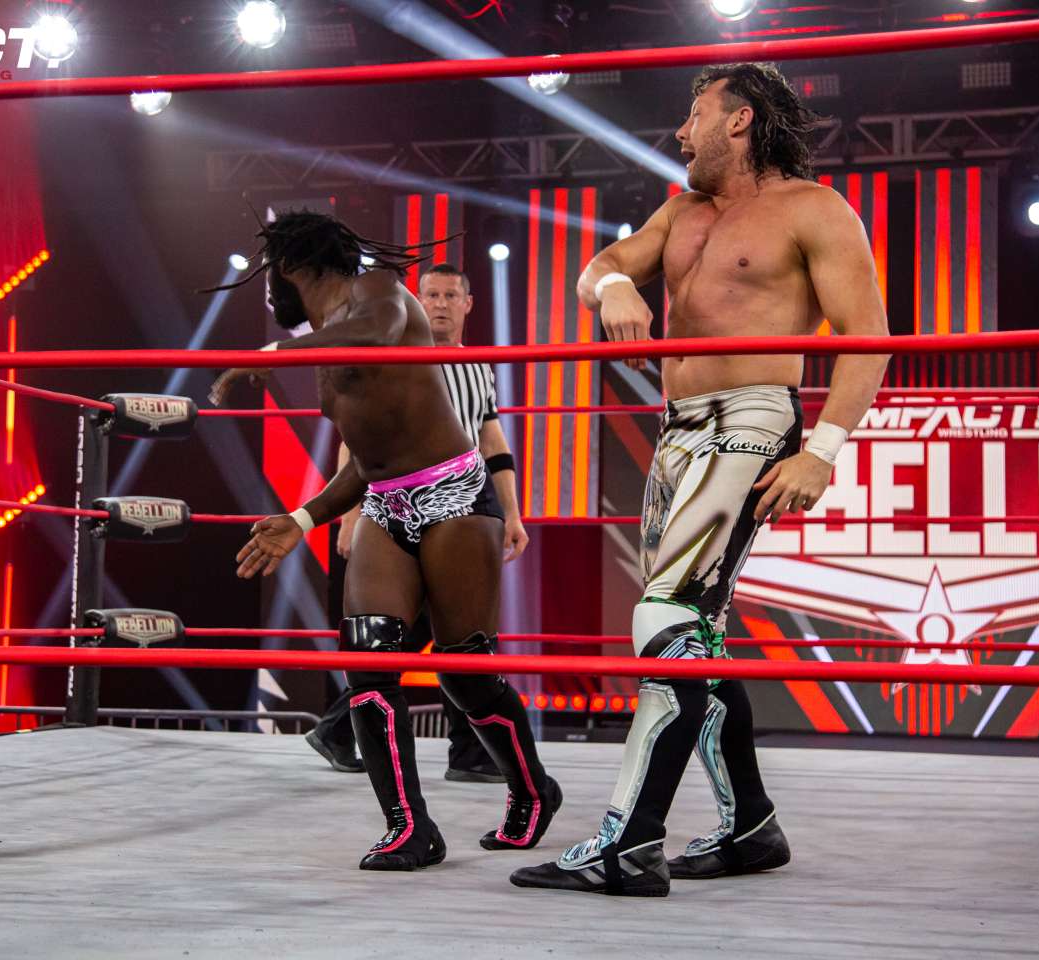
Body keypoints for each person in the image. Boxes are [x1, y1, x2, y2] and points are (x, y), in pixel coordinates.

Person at [510, 63, 889, 896]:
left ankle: (628, 841)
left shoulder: (813, 210)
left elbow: (869, 335)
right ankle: (750, 824)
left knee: (667, 615)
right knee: (696, 636)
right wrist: (615, 285)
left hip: (753, 417)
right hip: (677, 430)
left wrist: (821, 451)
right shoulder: (681, 212)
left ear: (739, 121)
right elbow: (601, 265)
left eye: (695, 113)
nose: (681, 132)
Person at [220, 212, 561, 872]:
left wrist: (275, 353)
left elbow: (375, 332)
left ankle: (532, 790)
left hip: (455, 494)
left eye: (269, 276)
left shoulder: (375, 291)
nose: (269, 293)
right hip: (384, 501)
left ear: (289, 268)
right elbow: (366, 459)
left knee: (464, 671)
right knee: (368, 663)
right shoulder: (327, 336)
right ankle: (410, 828)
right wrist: (303, 519)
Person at [301, 262, 530, 781]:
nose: (440, 304)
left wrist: (511, 512)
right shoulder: (397, 356)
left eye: (451, 295)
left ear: (468, 304)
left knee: (445, 629)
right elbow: (356, 438)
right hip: (402, 508)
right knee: (444, 631)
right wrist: (350, 517)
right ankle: (463, 753)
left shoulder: (478, 366)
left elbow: (492, 441)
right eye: (431, 294)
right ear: (417, 301)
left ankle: (344, 730)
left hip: (463, 506)